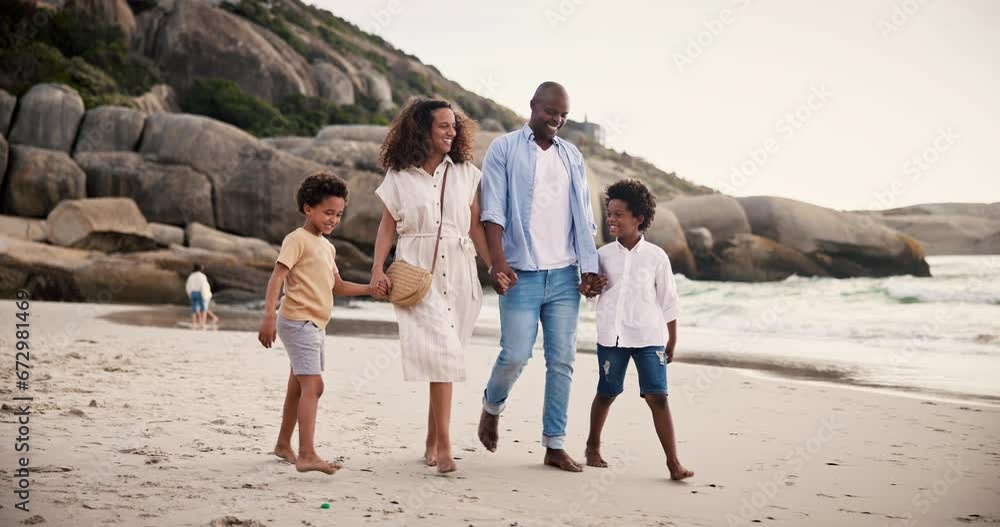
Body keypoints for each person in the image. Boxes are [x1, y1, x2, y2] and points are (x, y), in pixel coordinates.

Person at [477, 82, 606, 472]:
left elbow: (583, 218)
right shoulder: (504, 148)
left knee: (562, 360)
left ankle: (554, 444)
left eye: (563, 114)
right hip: (521, 272)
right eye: (551, 111)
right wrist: (498, 262)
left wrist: (589, 269)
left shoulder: (571, 156)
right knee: (515, 355)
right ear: (533, 106)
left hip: (564, 274)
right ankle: (491, 406)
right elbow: (493, 209)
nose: (558, 120)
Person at [370, 98, 497, 473]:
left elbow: (475, 226)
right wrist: (378, 268)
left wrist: (493, 266)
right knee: (442, 355)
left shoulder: (466, 173)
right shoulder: (399, 176)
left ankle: (430, 439)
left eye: (454, 126)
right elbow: (387, 225)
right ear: (422, 129)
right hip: (416, 270)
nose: (451, 131)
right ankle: (443, 447)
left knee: (445, 358)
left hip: (459, 270)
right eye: (443, 125)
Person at [257, 173, 376, 475]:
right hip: (298, 321)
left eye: (338, 214)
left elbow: (337, 285)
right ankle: (307, 454)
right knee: (315, 386)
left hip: (315, 324)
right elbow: (277, 277)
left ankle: (284, 444)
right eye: (328, 212)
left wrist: (370, 289)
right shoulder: (297, 240)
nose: (333, 219)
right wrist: (268, 315)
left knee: (298, 387)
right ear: (308, 209)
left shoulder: (327, 246)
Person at [584, 179, 694, 481]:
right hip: (612, 336)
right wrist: (589, 288)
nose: (612, 219)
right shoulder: (602, 255)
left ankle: (673, 463)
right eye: (610, 213)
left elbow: (668, 300)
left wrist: (673, 338)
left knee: (658, 397)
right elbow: (589, 291)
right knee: (606, 392)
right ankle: (592, 446)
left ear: (639, 218)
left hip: (649, 338)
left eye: (619, 214)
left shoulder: (657, 257)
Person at [185, 264, 210, 328]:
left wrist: (189, 293)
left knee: (194, 309)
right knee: (203, 309)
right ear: (200, 268)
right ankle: (202, 323)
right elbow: (203, 285)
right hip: (200, 292)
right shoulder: (202, 276)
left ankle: (194, 323)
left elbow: (188, 285)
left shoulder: (191, 276)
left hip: (193, 293)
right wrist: (205, 294)